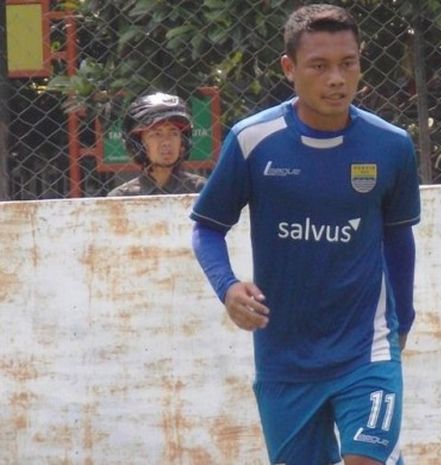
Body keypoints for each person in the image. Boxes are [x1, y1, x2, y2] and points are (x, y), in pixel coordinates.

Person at [190, 4, 420, 465]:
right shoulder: (253, 140)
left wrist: (403, 321)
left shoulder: (391, 145)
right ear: (289, 69)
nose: (337, 78)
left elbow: (398, 240)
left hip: (367, 349)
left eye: (348, 63)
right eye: (319, 66)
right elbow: (207, 229)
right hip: (284, 358)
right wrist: (228, 287)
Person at [107, 92, 206, 196]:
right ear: (138, 142)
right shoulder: (121, 198)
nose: (167, 142)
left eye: (174, 133)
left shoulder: (201, 190)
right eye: (157, 134)